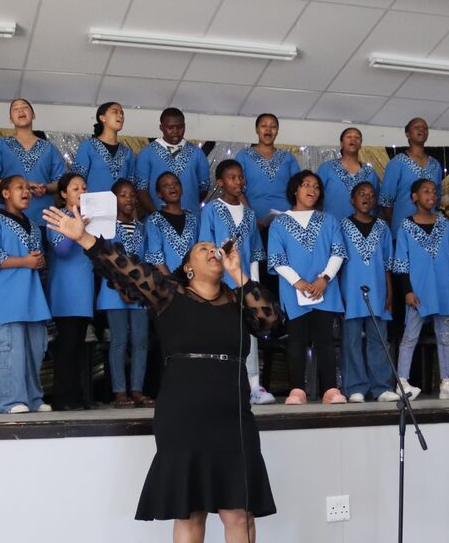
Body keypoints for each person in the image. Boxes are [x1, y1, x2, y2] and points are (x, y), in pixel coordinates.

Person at [43, 200, 281, 543]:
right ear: (187, 268)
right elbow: (124, 267)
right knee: (190, 511)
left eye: (216, 248)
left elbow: (271, 320)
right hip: (183, 411)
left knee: (239, 512)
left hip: (233, 414)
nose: (212, 251)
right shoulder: (168, 295)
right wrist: (83, 237)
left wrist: (239, 273)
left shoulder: (239, 302)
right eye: (203, 249)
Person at [198, 159, 275, 405]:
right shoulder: (210, 209)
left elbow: (253, 253)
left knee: (249, 334)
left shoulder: (250, 214)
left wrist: (253, 286)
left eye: (241, 177)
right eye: (232, 177)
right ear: (220, 183)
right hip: (220, 284)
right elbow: (205, 250)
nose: (238, 182)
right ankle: (221, 386)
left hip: (244, 282)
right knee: (220, 333)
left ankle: (254, 386)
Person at [268, 171, 346, 405]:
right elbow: (277, 258)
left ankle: (331, 389)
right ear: (295, 189)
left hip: (326, 289)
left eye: (316, 186)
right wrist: (298, 282)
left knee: (324, 340)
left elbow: (338, 252)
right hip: (294, 291)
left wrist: (325, 278)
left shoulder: (329, 220)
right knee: (296, 340)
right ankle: (296, 390)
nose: (312, 189)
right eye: (306, 185)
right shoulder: (280, 223)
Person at [0, 176, 51, 413]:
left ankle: (33, 398)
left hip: (31, 301)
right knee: (9, 351)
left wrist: (38, 263)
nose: (26, 191)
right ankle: (10, 401)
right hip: (5, 301)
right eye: (20, 187)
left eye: (28, 188)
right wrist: (26, 261)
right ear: (5, 193)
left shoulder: (33, 226)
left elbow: (35, 261)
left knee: (33, 351)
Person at [392, 179, 449, 401]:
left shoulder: (444, 224)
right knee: (410, 336)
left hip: (443, 289)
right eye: (425, 191)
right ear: (414, 197)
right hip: (419, 291)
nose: (431, 195)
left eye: (433, 191)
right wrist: (407, 291)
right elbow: (401, 263)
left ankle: (446, 382)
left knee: (445, 337)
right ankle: (402, 381)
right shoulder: (406, 226)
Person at [338, 182, 398, 403]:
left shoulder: (382, 227)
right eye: (361, 194)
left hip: (378, 290)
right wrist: (338, 296)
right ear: (352, 200)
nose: (367, 198)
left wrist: (390, 293)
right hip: (350, 291)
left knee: (379, 339)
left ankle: (381, 387)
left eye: (371, 195)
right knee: (351, 340)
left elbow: (387, 264)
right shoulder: (342, 226)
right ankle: (355, 387)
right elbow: (337, 262)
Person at [99, 179, 152, 408]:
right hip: (113, 291)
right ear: (114, 200)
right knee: (119, 341)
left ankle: (137, 390)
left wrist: (140, 287)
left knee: (140, 341)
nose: (129, 199)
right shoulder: (106, 227)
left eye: (132, 194)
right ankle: (120, 392)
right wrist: (121, 288)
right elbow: (104, 261)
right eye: (123, 195)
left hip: (139, 290)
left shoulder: (143, 227)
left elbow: (147, 260)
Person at [46, 173, 95, 411]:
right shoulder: (58, 216)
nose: (82, 191)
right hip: (65, 291)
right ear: (63, 194)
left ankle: (77, 395)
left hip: (84, 290)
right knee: (66, 347)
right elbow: (62, 250)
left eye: (84, 187)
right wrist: (79, 229)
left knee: (78, 347)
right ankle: (63, 398)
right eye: (75, 188)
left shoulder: (92, 218)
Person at [0, 99, 65, 227]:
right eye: (15, 109)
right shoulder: (1, 145)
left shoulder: (49, 147)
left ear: (33, 115)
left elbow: (61, 181)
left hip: (43, 216)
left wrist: (45, 188)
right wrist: (23, 186)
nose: (20, 110)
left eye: (25, 107)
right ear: (11, 118)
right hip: (8, 217)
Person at [133, 107, 209, 215]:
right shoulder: (147, 153)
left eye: (180, 127)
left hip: (191, 221)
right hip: (157, 222)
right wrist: (158, 216)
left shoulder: (197, 153)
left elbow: (204, 187)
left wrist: (188, 206)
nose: (175, 131)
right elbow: (141, 189)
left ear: (185, 126)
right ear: (161, 127)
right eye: (170, 127)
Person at [378, 117, 442, 235]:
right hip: (402, 228)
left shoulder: (435, 165)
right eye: (417, 127)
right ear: (407, 134)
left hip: (430, 230)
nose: (421, 129)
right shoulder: (397, 163)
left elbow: (437, 199)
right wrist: (395, 225)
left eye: (425, 128)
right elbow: (386, 200)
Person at [237, 113, 300, 225]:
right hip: (252, 220)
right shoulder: (244, 155)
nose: (268, 129)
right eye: (263, 126)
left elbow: (299, 190)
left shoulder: (288, 157)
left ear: (277, 131)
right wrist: (251, 218)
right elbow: (237, 190)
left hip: (285, 220)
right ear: (257, 130)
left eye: (273, 127)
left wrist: (293, 216)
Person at [318, 127, 380, 222]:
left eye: (357, 137)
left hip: (362, 229)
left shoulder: (370, 172)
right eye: (349, 136)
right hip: (332, 226)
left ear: (360, 144)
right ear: (341, 143)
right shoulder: (327, 168)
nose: (353, 139)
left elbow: (375, 203)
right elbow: (316, 198)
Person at [71, 101, 135, 194]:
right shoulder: (88, 146)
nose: (120, 115)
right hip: (93, 205)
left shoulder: (127, 152)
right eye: (115, 112)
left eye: (122, 113)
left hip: (119, 207)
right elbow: (77, 180)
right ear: (102, 118)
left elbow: (131, 184)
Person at [144, 173, 199, 276]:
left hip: (193, 282)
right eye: (166, 185)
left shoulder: (192, 218)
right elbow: (156, 259)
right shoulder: (154, 220)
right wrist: (175, 287)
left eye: (175, 183)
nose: (172, 187)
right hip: (168, 285)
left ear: (182, 190)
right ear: (159, 194)